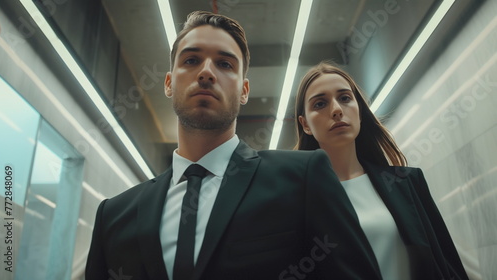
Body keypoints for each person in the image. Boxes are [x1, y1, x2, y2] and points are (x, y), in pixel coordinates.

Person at [86, 12, 381, 280]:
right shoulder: (114, 215)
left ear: (244, 90)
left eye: (225, 64)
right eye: (191, 61)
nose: (206, 73)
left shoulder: (303, 179)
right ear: (168, 83)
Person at [295, 61, 469, 280]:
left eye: (345, 98)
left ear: (359, 111)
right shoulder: (298, 201)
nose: (337, 110)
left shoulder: (406, 183)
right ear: (305, 124)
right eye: (320, 104)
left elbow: (445, 261)